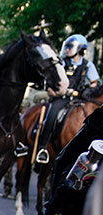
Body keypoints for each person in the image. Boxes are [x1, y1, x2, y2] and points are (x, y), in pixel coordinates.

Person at [32, 33, 100, 164]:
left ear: (79, 49)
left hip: (79, 99)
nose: (67, 50)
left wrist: (85, 92)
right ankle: (43, 148)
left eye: (70, 47)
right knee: (52, 115)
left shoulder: (88, 65)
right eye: (67, 47)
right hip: (62, 97)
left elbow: (94, 83)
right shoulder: (62, 62)